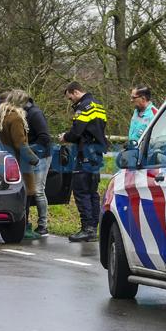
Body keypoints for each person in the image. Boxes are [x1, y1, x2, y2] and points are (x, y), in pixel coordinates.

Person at [60, 81, 107, 242]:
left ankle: (87, 228)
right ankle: (94, 227)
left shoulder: (83, 107)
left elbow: (77, 131)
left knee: (81, 191)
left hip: (85, 154)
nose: (70, 101)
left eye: (70, 98)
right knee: (93, 191)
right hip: (97, 153)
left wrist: (65, 137)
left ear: (75, 92)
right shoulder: (99, 105)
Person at [0, 89, 40, 239]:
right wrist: (34, 159)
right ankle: (24, 227)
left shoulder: (2, 116)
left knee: (14, 194)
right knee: (25, 195)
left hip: (5, 161)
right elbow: (20, 143)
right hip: (19, 162)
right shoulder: (16, 118)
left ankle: (18, 225)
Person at [24, 95, 52, 236]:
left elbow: (44, 137)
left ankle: (43, 225)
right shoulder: (27, 113)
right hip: (32, 155)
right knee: (30, 190)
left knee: (38, 191)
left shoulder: (35, 114)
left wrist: (28, 149)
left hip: (42, 156)